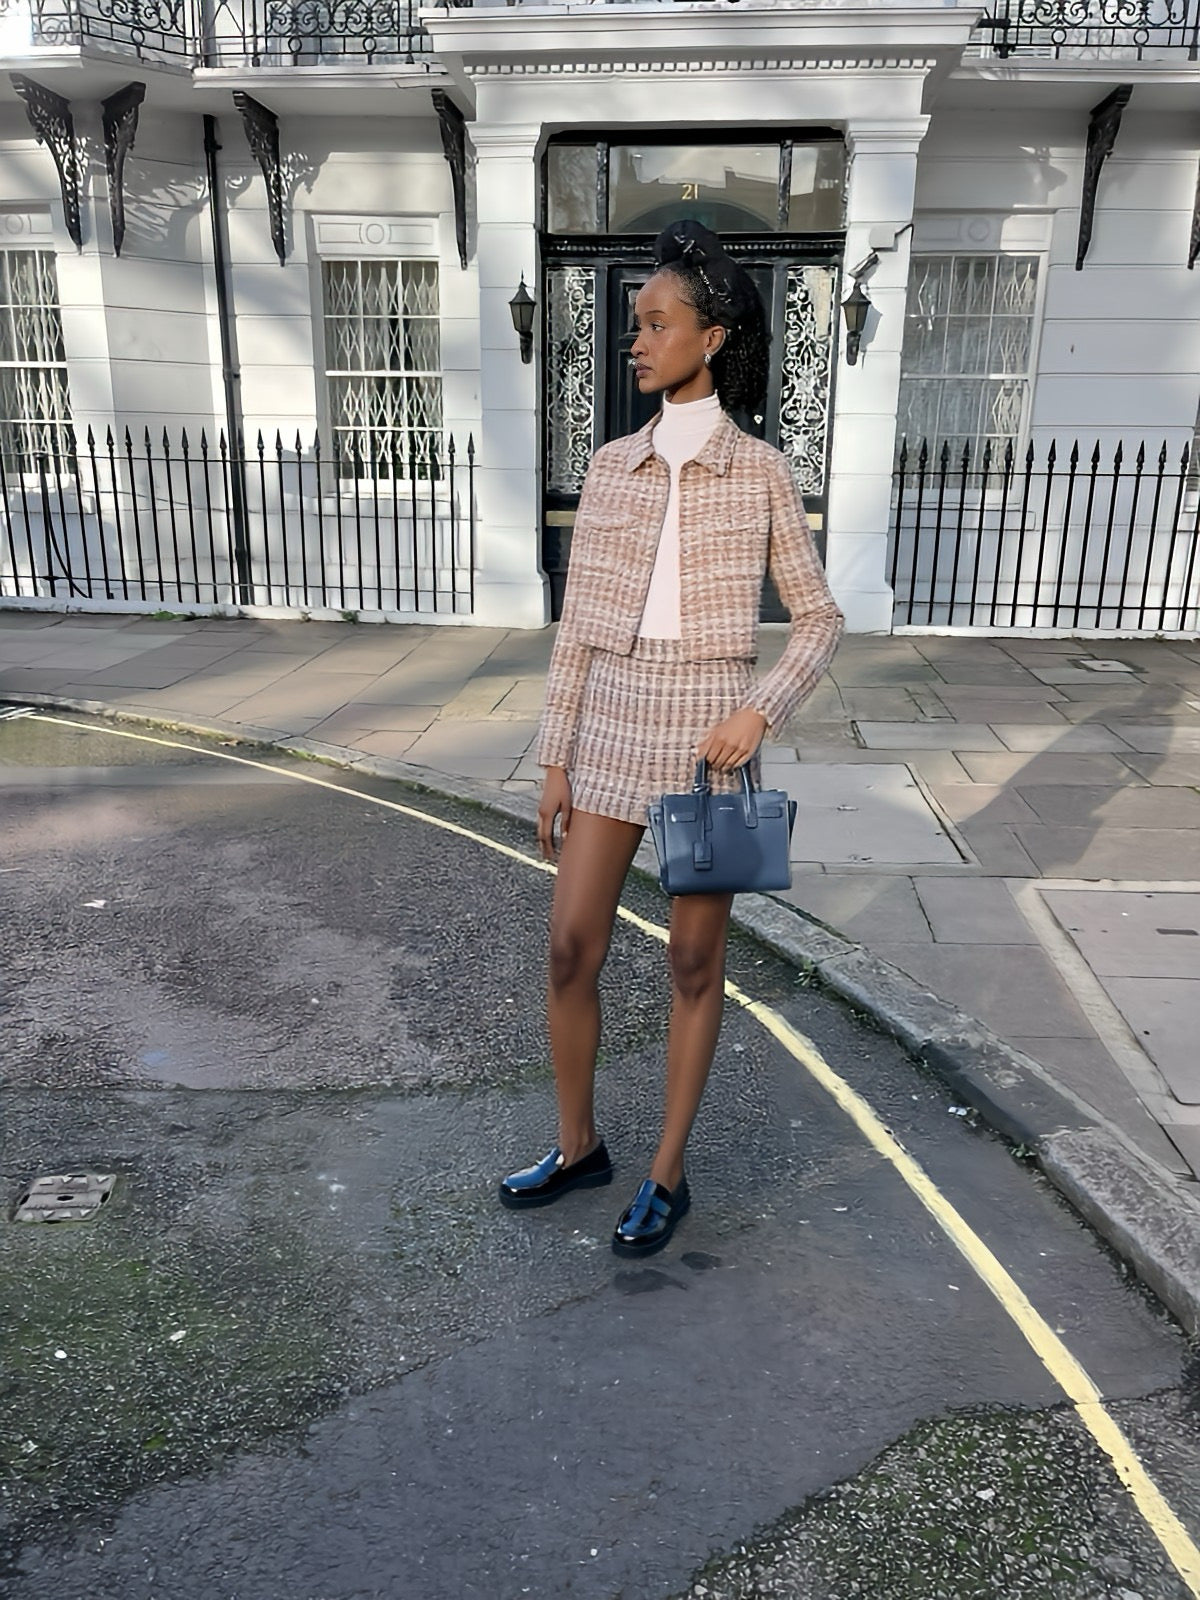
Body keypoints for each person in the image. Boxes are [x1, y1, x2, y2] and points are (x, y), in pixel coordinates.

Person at [499, 219, 844, 1257]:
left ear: (713, 337)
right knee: (570, 948)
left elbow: (819, 619)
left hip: (709, 739)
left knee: (695, 962)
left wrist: (759, 709)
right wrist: (555, 758)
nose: (637, 341)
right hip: (610, 721)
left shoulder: (763, 472)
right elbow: (577, 629)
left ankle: (666, 1171)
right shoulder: (612, 465)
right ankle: (578, 1146)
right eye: (634, 324)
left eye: (657, 323)